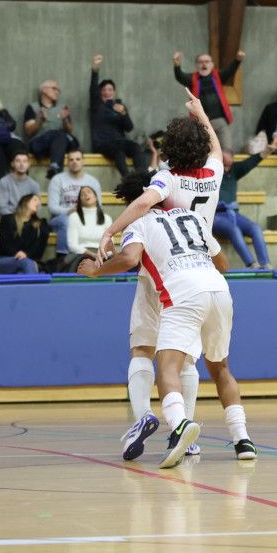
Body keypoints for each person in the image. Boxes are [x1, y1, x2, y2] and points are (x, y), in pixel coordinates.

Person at [97, 89, 224, 461]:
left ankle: (143, 417)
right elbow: (216, 151)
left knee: (142, 348)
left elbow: (142, 204)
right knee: (187, 359)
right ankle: (184, 430)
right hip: (198, 268)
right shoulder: (214, 174)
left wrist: (110, 231)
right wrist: (201, 113)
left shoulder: (167, 180)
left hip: (163, 265)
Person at [213, 134, 277, 270]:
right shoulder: (212, 171)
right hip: (215, 216)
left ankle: (265, 263)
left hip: (234, 214)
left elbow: (253, 160)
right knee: (234, 230)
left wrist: (270, 149)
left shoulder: (234, 170)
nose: (225, 168)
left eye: (228, 165)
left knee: (255, 228)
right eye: (223, 164)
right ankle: (251, 264)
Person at [173, 49, 244, 152]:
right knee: (203, 151)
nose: (204, 64)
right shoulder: (192, 78)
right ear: (197, 65)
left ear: (212, 64)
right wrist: (177, 65)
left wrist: (237, 60)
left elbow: (230, 71)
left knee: (226, 151)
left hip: (220, 121)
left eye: (207, 62)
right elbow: (180, 76)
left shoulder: (218, 76)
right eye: (201, 62)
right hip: (201, 122)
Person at [89, 55, 148, 176]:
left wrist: (124, 113)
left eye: (110, 89)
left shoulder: (119, 106)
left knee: (136, 147)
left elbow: (129, 127)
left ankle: (142, 177)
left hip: (120, 141)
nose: (107, 92)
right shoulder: (97, 105)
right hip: (103, 144)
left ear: (114, 92)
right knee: (119, 152)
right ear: (100, 93)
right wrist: (95, 70)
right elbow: (93, 89)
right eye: (104, 90)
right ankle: (128, 180)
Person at [47, 150, 102, 262]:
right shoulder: (57, 179)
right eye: (71, 159)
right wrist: (70, 211)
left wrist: (82, 212)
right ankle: (62, 258)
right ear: (67, 162)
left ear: (83, 161)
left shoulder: (92, 181)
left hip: (85, 217)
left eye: (78, 159)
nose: (74, 162)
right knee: (67, 220)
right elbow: (52, 208)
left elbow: (98, 206)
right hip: (61, 219)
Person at [23, 79, 79, 179]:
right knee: (55, 134)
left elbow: (70, 130)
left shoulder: (62, 108)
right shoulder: (32, 107)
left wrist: (65, 119)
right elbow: (29, 131)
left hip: (61, 142)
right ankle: (55, 167)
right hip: (41, 144)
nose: (57, 92)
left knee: (60, 134)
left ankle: (55, 167)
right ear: (44, 90)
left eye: (58, 90)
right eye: (54, 89)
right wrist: (40, 120)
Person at [0, 193, 49, 274]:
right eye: (35, 200)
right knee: (26, 262)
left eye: (39, 201)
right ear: (25, 202)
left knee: (21, 273)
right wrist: (17, 253)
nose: (38, 203)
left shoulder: (38, 225)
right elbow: (4, 244)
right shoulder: (7, 219)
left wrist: (26, 254)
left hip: (25, 262)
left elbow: (37, 250)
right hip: (4, 260)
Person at [62, 186, 113, 272]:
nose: (86, 194)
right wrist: (92, 254)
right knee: (84, 261)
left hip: (102, 253)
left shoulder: (107, 218)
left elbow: (110, 245)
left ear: (96, 197)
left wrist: (103, 255)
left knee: (115, 262)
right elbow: (72, 245)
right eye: (82, 194)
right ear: (80, 200)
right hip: (81, 253)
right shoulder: (74, 217)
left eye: (88, 192)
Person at [0, 150, 41, 216]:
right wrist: (21, 214)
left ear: (28, 164)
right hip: (10, 218)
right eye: (18, 161)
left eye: (25, 161)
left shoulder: (34, 185)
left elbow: (37, 208)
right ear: (12, 164)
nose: (21, 164)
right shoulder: (4, 182)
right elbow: (3, 209)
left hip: (28, 218)